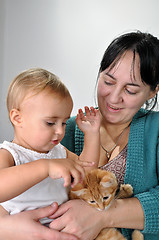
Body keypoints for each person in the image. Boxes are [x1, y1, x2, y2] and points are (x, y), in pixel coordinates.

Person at [0, 30, 159, 240]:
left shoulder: (153, 129)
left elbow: (85, 170)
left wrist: (103, 216)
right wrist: (6, 228)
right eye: (109, 82)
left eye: (130, 90)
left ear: (152, 91)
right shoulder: (58, 134)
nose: (114, 97)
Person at [0, 68, 100, 226]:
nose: (60, 131)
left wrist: (92, 135)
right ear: (18, 118)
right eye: (50, 123)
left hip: (59, 229)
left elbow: (87, 171)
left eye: (64, 122)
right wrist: (45, 167)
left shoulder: (59, 152)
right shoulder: (10, 154)